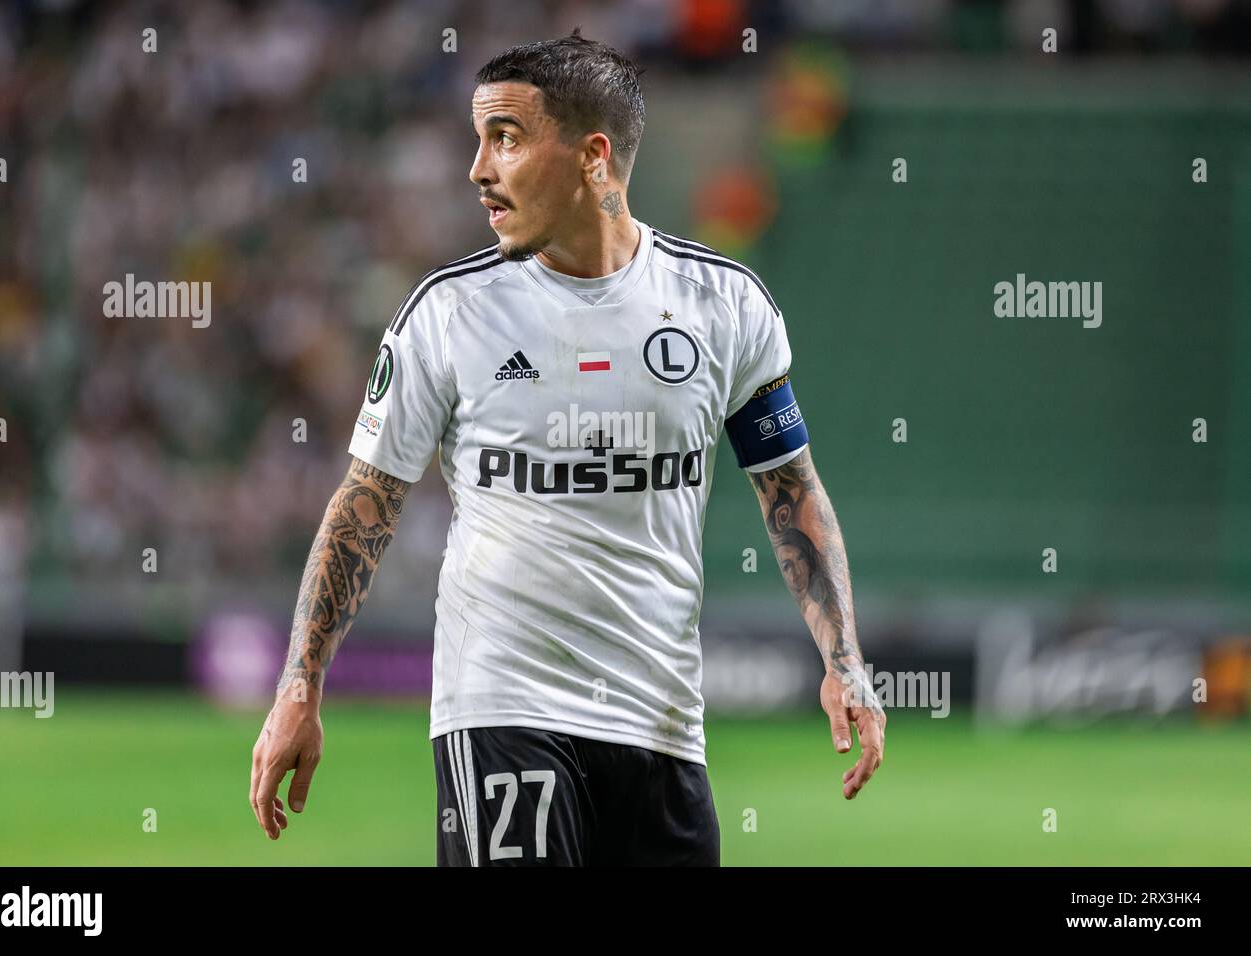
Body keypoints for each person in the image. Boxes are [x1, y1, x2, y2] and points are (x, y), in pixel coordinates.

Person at [249, 29, 885, 866]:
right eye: (478, 139)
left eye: (505, 139)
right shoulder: (449, 313)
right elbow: (364, 505)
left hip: (661, 726)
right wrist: (302, 681)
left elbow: (789, 490)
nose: (478, 168)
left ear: (592, 157)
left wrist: (845, 661)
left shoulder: (723, 307)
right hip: (502, 709)